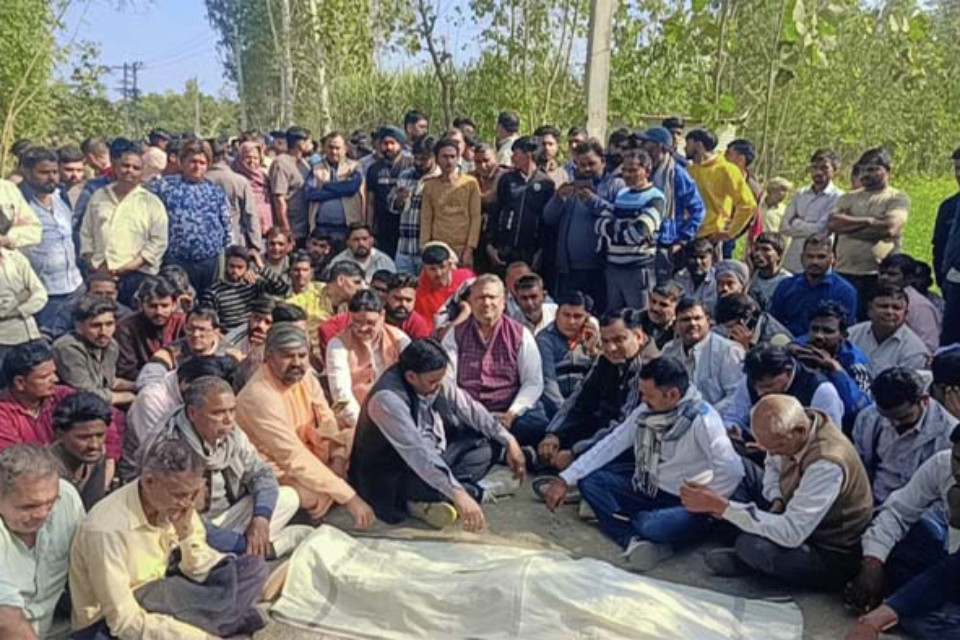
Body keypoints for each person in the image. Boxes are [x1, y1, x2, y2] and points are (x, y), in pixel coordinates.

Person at [544, 356, 744, 571]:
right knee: (591, 482)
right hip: (648, 486)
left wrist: (707, 500)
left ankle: (649, 529)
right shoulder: (646, 411)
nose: (642, 400)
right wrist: (565, 479)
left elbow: (733, 471)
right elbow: (611, 444)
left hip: (685, 500)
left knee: (651, 525)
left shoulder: (703, 420)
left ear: (673, 395)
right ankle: (633, 539)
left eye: (648, 395)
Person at [69, 439, 269, 639]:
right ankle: (227, 624)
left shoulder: (178, 505)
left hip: (167, 599)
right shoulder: (106, 531)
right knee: (166, 591)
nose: (187, 503)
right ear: (149, 482)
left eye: (193, 495)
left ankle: (220, 623)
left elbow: (197, 570)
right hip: (108, 626)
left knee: (252, 568)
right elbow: (124, 621)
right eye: (179, 495)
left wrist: (185, 534)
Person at [682, 395, 872, 589]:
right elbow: (771, 465)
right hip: (790, 506)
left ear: (799, 431)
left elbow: (792, 532)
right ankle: (751, 548)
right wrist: (777, 498)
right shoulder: (794, 428)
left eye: (777, 447)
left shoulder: (827, 463)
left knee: (753, 546)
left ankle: (756, 564)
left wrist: (722, 507)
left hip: (826, 547)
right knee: (740, 471)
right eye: (767, 447)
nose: (771, 454)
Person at [350, 338, 526, 529]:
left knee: (489, 443)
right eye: (433, 381)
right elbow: (417, 453)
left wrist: (509, 440)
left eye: (441, 379)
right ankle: (478, 491)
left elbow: (470, 409)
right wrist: (457, 493)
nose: (439, 386)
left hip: (436, 455)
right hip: (394, 472)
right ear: (411, 377)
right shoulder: (387, 400)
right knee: (434, 485)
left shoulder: (435, 379)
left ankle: (437, 497)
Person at [236, 324, 376, 525]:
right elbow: (291, 456)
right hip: (274, 467)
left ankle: (330, 489)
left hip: (312, 453)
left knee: (357, 433)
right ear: (268, 357)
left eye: (302, 355)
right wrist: (350, 498)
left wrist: (336, 460)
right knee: (309, 495)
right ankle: (325, 497)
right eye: (287, 356)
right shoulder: (259, 396)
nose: (297, 363)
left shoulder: (305, 377)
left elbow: (327, 418)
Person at [149, 376, 304, 556]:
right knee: (177, 539)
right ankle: (253, 549)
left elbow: (261, 473)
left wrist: (261, 518)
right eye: (218, 413)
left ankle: (242, 549)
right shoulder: (170, 449)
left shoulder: (233, 435)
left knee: (289, 497)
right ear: (192, 413)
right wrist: (240, 544)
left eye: (232, 411)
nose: (228, 419)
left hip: (229, 516)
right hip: (190, 525)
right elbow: (177, 515)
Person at [842, 453, 959, 640]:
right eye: (958, 459)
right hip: (946, 557)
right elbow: (898, 511)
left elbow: (951, 570)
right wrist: (873, 562)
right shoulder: (943, 465)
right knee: (889, 547)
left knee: (924, 621)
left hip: (951, 572)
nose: (959, 471)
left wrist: (880, 617)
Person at [537, 308, 659, 474]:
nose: (611, 348)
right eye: (605, 341)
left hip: (632, 441)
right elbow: (579, 398)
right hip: (603, 426)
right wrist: (554, 433)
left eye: (619, 340)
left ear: (638, 336)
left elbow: (624, 427)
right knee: (541, 432)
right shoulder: (606, 359)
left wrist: (576, 453)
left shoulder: (648, 368)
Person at [442, 275, 547, 446]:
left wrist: (511, 414)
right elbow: (448, 380)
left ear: (503, 301)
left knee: (536, 424)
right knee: (446, 421)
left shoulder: (520, 335)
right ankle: (501, 448)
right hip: (467, 412)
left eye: (492, 297)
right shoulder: (455, 334)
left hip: (507, 411)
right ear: (471, 302)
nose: (486, 303)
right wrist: (474, 415)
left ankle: (494, 445)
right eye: (480, 297)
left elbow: (533, 382)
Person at [0, 444, 84, 639]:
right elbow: (6, 620)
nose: (42, 514)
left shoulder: (67, 497)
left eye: (50, 503)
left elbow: (86, 562)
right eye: (29, 506)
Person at [0, 342, 121, 467]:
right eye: (44, 377)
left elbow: (104, 417)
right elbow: (15, 460)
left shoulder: (62, 394)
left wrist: (110, 461)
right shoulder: (3, 413)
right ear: (20, 382)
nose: (55, 379)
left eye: (54, 373)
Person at [122, 355, 239, 482]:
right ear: (185, 384)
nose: (227, 418)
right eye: (218, 412)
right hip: (153, 476)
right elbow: (160, 455)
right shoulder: (151, 400)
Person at [80, 140, 168, 306]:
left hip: (137, 276)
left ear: (142, 173)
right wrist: (92, 262)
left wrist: (129, 266)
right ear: (115, 167)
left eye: (136, 168)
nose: (130, 171)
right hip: (101, 274)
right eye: (125, 166)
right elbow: (86, 232)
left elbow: (158, 242)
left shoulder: (151, 202)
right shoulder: (99, 196)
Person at [853, 367, 956, 504]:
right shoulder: (868, 418)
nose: (894, 424)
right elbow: (859, 467)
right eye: (888, 417)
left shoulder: (948, 435)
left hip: (918, 512)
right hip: (870, 501)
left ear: (924, 400)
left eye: (903, 417)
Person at [828, 148, 910, 319]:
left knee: (871, 320)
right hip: (843, 271)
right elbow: (833, 223)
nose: (866, 174)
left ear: (887, 171)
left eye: (873, 169)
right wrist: (868, 221)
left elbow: (890, 228)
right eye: (864, 169)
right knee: (840, 319)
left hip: (876, 275)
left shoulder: (896, 198)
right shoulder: (848, 198)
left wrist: (849, 228)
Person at [544, 138, 623, 310]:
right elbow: (548, 218)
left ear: (602, 161)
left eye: (591, 164)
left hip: (599, 269)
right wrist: (558, 198)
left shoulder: (615, 185)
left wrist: (593, 200)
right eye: (581, 165)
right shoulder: (571, 187)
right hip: (568, 270)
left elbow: (618, 216)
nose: (586, 169)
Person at [18, 147, 84, 338]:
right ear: (27, 171)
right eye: (44, 172)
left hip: (74, 286)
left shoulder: (60, 196)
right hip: (44, 292)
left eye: (54, 172)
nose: (52, 178)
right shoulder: (17, 203)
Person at [150, 139, 231, 292]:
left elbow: (226, 224)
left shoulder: (215, 191)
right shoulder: (164, 187)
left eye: (202, 162)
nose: (197, 166)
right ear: (182, 162)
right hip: (177, 260)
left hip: (209, 260)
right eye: (192, 161)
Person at [327, 291, 411, 429]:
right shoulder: (338, 344)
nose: (362, 328)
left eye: (370, 322)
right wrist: (364, 429)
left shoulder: (399, 339)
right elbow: (341, 396)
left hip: (398, 415)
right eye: (356, 322)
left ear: (382, 316)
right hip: (353, 421)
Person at [721, 344, 843, 436]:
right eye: (756, 387)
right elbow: (734, 416)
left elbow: (829, 439)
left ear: (788, 371)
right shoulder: (752, 380)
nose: (760, 393)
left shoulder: (821, 391)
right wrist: (733, 430)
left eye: (768, 386)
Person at [634, 127, 705, 284]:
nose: (642, 147)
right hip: (641, 242)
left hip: (666, 244)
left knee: (662, 289)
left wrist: (681, 239)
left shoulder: (676, 174)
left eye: (646, 143)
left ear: (659, 147)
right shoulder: (642, 172)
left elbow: (698, 209)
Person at [596, 149, 665, 312]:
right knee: (614, 318)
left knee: (638, 318)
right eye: (625, 170)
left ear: (647, 171)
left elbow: (638, 232)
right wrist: (623, 227)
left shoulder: (655, 197)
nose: (627, 174)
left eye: (633, 170)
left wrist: (614, 229)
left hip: (638, 269)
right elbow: (599, 224)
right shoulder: (621, 194)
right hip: (613, 268)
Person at [790, 300, 873, 433]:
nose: (819, 336)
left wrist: (836, 371)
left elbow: (860, 411)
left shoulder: (855, 361)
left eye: (828, 331)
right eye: (815, 329)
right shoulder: (801, 348)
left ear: (843, 336)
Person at [661, 298, 744, 413]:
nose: (692, 323)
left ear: (708, 320)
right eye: (686, 319)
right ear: (675, 325)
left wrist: (702, 414)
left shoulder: (727, 350)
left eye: (697, 318)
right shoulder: (669, 351)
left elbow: (737, 397)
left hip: (717, 422)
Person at [51, 294, 136, 406]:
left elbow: (109, 382)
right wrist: (130, 397)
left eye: (109, 324)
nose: (104, 332)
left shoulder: (111, 346)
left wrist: (138, 385)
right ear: (79, 327)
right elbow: (86, 392)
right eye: (96, 326)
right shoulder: (68, 349)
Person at [769, 233, 858, 337]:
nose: (815, 261)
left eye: (821, 257)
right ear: (802, 258)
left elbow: (846, 332)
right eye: (810, 256)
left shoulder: (845, 291)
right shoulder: (786, 286)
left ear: (832, 258)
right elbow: (773, 324)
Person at [685, 129, 757, 252]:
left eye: (688, 144)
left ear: (699, 145)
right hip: (688, 234)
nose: (685, 148)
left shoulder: (726, 169)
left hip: (711, 236)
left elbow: (747, 204)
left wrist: (729, 233)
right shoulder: (690, 170)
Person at [490, 136, 556, 271]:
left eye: (516, 154)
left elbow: (548, 223)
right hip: (505, 250)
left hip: (531, 253)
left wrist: (541, 252)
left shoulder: (546, 184)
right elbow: (495, 212)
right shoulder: (507, 180)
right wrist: (490, 246)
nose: (512, 158)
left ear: (528, 155)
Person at [419, 138, 482, 268]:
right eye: (444, 157)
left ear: (458, 158)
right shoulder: (430, 185)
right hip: (439, 247)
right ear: (436, 159)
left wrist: (470, 249)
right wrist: (425, 247)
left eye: (453, 157)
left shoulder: (470, 183)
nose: (449, 161)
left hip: (463, 248)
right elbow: (426, 218)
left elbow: (475, 217)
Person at [779, 149, 844, 273]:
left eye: (824, 168)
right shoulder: (800, 194)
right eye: (814, 167)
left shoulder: (838, 197)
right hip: (793, 259)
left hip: (819, 260)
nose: (818, 172)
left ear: (834, 170)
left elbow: (821, 230)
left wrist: (796, 222)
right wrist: (810, 226)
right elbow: (783, 227)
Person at [200, 245, 286, 331]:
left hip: (253, 331)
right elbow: (209, 320)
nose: (235, 271)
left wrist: (261, 267)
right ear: (226, 266)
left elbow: (281, 288)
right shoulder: (213, 292)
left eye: (240, 267)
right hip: (229, 336)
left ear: (246, 268)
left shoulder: (252, 285)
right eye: (232, 266)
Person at [848, 285, 929, 377]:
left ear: (905, 314)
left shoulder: (914, 350)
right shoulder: (851, 335)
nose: (890, 312)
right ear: (870, 309)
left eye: (896, 308)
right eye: (883, 306)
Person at [49, 390, 111, 509]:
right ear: (60, 435)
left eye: (100, 435)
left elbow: (93, 505)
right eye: (83, 437)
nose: (94, 445)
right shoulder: (45, 468)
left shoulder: (98, 455)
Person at [115, 277, 186, 380]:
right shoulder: (126, 327)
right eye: (153, 306)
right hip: (143, 382)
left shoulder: (182, 322)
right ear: (141, 305)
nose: (159, 312)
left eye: (164, 306)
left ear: (174, 305)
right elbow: (127, 370)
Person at [390, 136, 440, 272]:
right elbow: (393, 208)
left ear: (434, 157)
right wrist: (399, 199)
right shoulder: (405, 175)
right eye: (416, 158)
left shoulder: (440, 179)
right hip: (404, 248)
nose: (418, 163)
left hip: (428, 251)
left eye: (423, 159)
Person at [306, 131, 366, 243]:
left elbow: (352, 188)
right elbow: (310, 193)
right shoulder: (315, 168)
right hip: (321, 228)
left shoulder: (355, 167)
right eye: (330, 147)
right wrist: (341, 189)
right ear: (324, 148)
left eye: (337, 148)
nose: (333, 151)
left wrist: (325, 185)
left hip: (347, 228)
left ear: (345, 148)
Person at [206, 139, 261, 255]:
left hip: (208, 243)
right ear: (225, 155)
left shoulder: (201, 179)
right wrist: (256, 245)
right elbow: (250, 215)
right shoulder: (239, 181)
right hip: (236, 241)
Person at [878, 253, 942, 352]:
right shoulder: (876, 298)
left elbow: (929, 346)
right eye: (882, 273)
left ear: (909, 278)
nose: (884, 278)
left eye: (892, 274)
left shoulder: (919, 306)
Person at [367, 126, 413, 260]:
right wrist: (369, 227)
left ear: (400, 144)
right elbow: (370, 201)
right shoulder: (374, 169)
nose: (388, 147)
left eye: (392, 143)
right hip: (382, 227)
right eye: (385, 143)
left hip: (405, 225)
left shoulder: (410, 165)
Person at [0, 235, 47, 358]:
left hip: (31, 334)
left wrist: (19, 310)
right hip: (4, 340)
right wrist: (18, 299)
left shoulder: (16, 258)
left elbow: (41, 295)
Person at [269, 126, 312, 241]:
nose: (311, 144)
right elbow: (279, 198)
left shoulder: (305, 164)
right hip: (292, 228)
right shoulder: (281, 163)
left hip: (305, 226)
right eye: (309, 141)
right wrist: (285, 228)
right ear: (301, 144)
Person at [415, 243, 474, 323]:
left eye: (442, 267)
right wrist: (464, 314)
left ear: (449, 265)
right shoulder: (419, 294)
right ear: (424, 269)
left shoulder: (466, 278)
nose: (438, 273)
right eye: (432, 269)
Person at [713, 293, 792, 350]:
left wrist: (744, 349)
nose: (727, 333)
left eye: (729, 327)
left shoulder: (776, 341)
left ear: (744, 322)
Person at [326, 222, 396, 280]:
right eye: (356, 240)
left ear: (372, 240)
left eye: (364, 239)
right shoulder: (338, 261)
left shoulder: (385, 261)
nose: (361, 243)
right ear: (348, 242)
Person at [746, 232, 791, 311]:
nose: (758, 254)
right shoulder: (752, 276)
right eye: (756, 249)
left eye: (766, 249)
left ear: (779, 255)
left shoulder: (787, 281)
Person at [672, 238, 718, 313]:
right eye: (693, 258)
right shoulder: (679, 277)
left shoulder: (718, 279)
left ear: (711, 258)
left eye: (702, 257)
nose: (698, 262)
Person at [384, 272, 432, 338]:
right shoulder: (375, 318)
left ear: (415, 300)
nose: (403, 304)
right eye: (398, 299)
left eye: (408, 300)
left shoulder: (417, 324)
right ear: (386, 296)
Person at [642, 283, 682, 349]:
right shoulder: (636, 321)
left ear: (677, 308)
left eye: (663, 305)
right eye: (653, 301)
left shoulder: (681, 330)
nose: (655, 308)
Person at [58, 145, 87, 210]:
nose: (74, 174)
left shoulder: (88, 192)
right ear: (57, 168)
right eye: (69, 170)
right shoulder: (46, 193)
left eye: (79, 170)